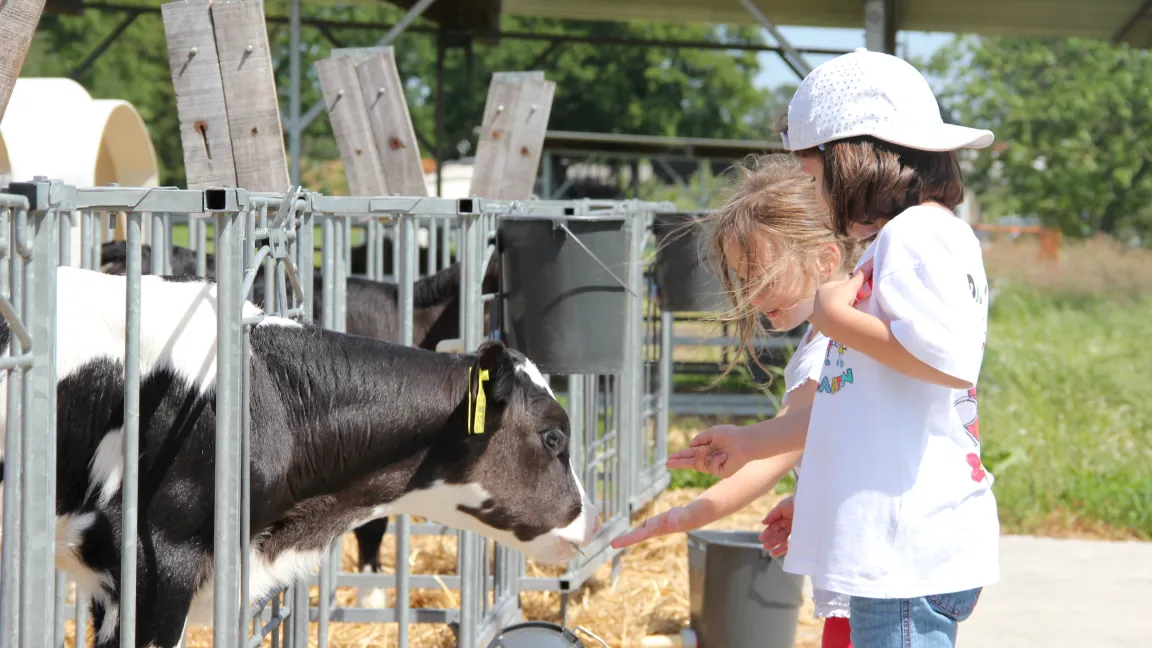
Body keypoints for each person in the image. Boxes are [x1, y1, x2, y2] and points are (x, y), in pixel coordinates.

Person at [666, 48, 999, 648]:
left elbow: (946, 359)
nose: (815, 199)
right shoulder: (914, 236)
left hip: (903, 554)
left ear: (855, 162)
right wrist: (821, 494)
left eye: (816, 179)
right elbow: (867, 402)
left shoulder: (915, 234)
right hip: (900, 544)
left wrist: (831, 315)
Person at [610, 153, 857, 647]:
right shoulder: (836, 337)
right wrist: (812, 500)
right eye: (742, 279)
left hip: (867, 585)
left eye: (762, 276)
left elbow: (784, 443)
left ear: (827, 259)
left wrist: (690, 515)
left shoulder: (827, 350)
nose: (750, 294)